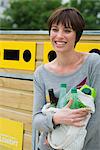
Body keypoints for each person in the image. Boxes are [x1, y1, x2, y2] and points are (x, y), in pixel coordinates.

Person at [32, 7, 100, 150]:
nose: (59, 36)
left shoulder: (93, 63)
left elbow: (97, 117)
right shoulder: (41, 73)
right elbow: (37, 120)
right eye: (55, 29)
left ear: (77, 35)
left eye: (67, 30)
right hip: (49, 146)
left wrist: (70, 143)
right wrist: (57, 118)